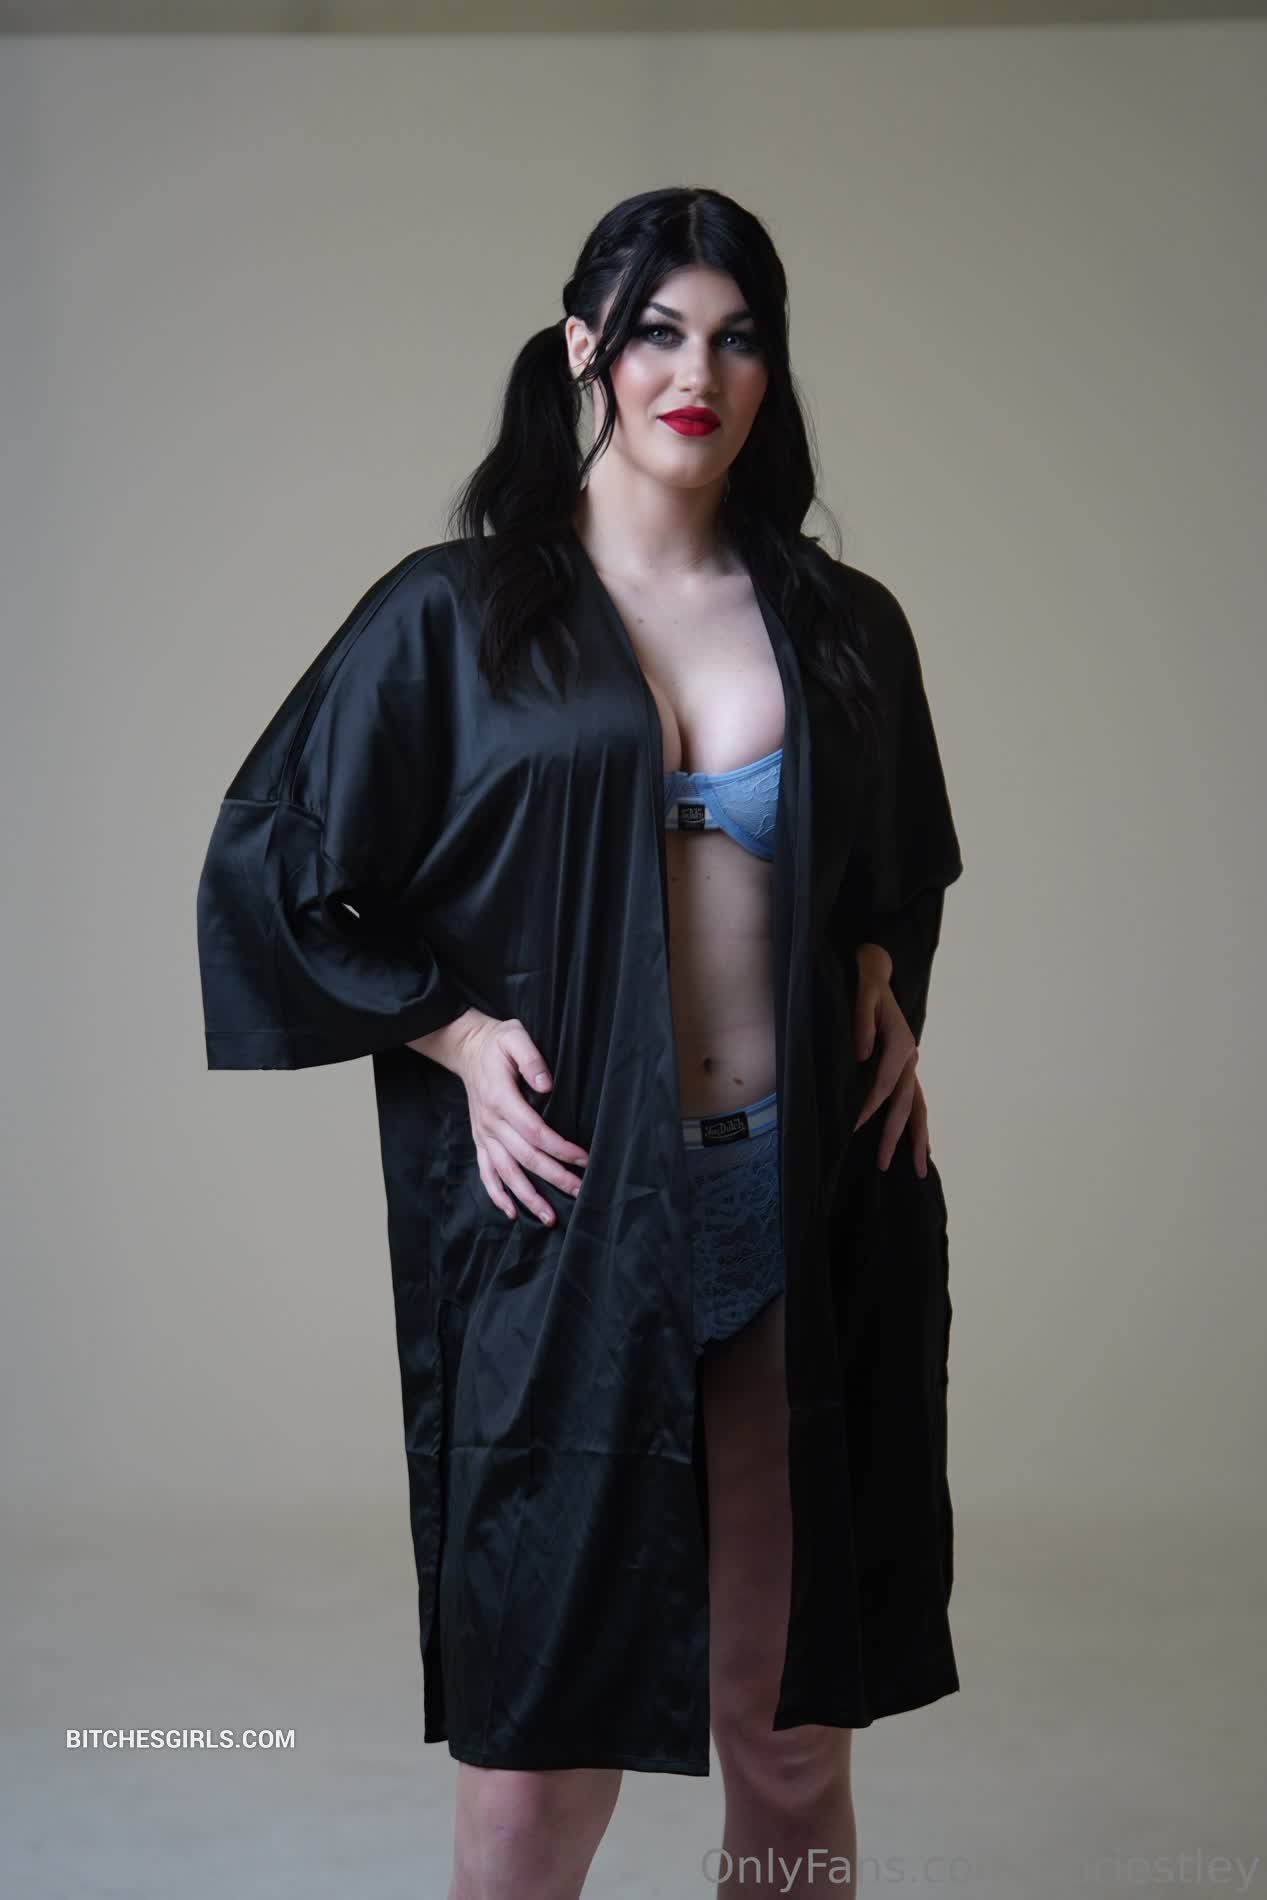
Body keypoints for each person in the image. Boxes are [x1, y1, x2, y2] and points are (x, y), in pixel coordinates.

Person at [196, 185, 965, 1900]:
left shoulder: (844, 624)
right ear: (583, 351)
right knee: (533, 1778)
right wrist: (459, 1037)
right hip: (567, 1223)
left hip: (793, 1203)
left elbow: (892, 870)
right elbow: (280, 873)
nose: (699, 373)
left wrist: (875, 969)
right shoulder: (457, 615)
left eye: (739, 338)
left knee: (791, 1745)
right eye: (658, 333)